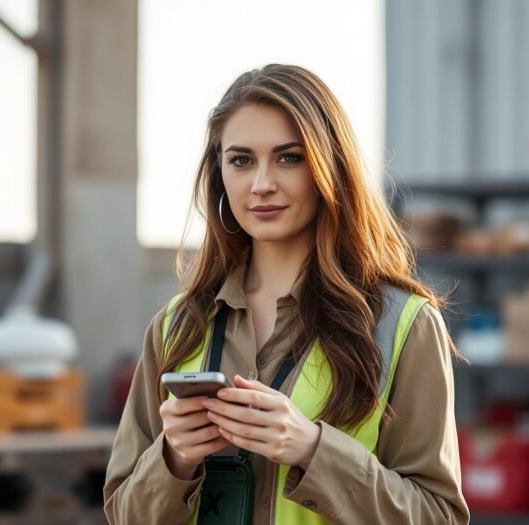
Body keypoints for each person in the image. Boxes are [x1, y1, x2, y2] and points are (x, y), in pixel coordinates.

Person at [104, 64, 469, 525]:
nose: (261, 184)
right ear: (220, 174)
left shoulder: (404, 324)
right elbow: (122, 513)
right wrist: (173, 460)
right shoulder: (176, 325)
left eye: (288, 158)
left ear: (327, 168)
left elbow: (439, 516)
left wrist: (312, 450)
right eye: (241, 160)